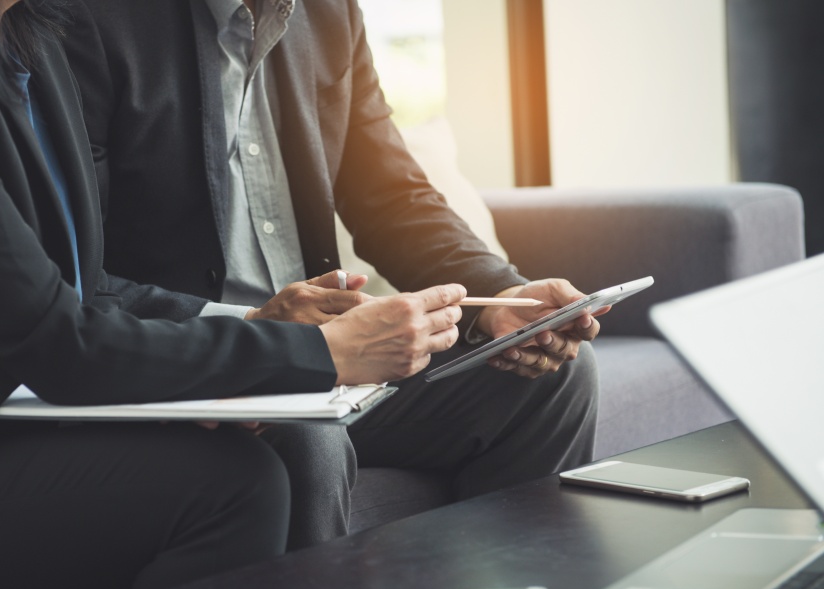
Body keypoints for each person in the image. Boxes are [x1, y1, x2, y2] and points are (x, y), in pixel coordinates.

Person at [0, 0, 467, 589]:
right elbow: (53, 339)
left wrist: (257, 327)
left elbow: (87, 283)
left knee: (264, 461)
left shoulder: (28, 42)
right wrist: (317, 354)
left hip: (7, 423)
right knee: (233, 486)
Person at [61, 0, 603, 548]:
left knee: (555, 380)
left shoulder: (328, 13)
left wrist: (502, 293)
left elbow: (392, 199)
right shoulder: (90, 20)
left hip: (336, 361)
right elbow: (75, 276)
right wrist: (255, 328)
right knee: (306, 439)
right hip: (197, 364)